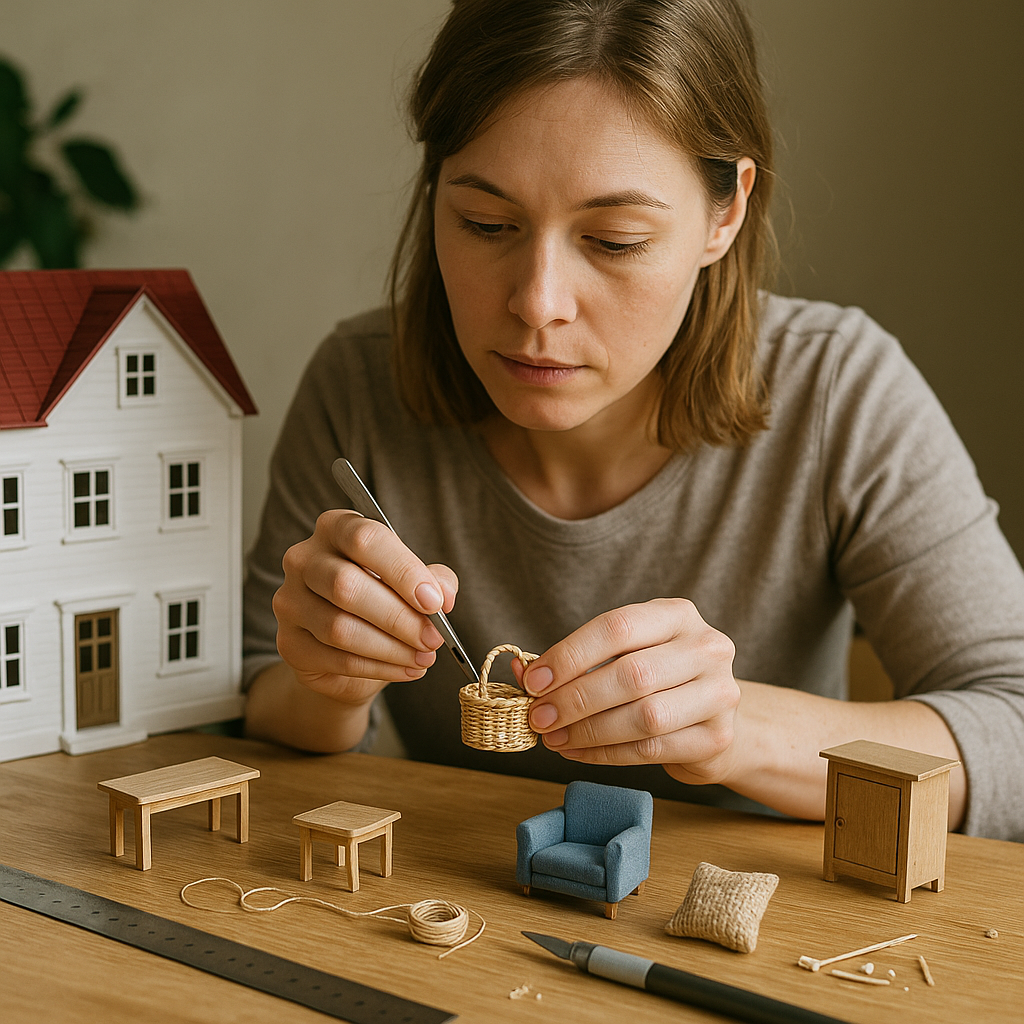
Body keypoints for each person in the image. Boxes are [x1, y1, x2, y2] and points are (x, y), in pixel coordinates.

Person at [242, 0, 1024, 841]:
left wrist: (735, 729)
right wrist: (331, 683)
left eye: (613, 240)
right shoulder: (359, 383)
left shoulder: (840, 386)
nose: (537, 305)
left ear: (724, 215)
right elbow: (256, 703)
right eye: (486, 224)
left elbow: (1013, 733)